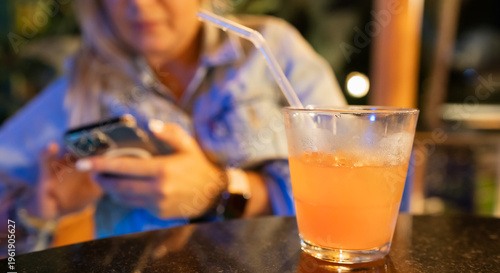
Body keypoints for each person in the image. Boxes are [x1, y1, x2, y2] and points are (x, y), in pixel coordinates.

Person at [0, 0, 346, 253]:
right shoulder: (84, 85)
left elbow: (350, 184)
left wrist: (217, 191)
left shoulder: (270, 47)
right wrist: (36, 211)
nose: (138, 4)